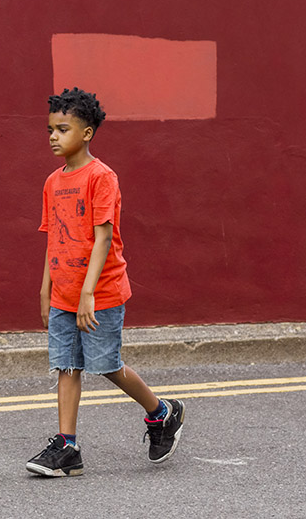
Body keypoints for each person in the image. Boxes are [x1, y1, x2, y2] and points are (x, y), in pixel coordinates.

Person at [26, 88, 185, 477]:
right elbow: (53, 238)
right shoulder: (52, 182)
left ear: (87, 133)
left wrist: (87, 294)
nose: (52, 136)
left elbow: (102, 238)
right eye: (50, 129)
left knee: (106, 365)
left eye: (62, 129)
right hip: (64, 292)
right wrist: (46, 289)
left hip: (100, 292)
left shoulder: (101, 177)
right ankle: (67, 447)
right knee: (66, 365)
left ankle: (162, 413)